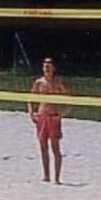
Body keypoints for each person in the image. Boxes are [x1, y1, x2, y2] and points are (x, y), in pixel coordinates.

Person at [27, 55, 71, 183]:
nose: (46, 67)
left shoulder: (58, 83)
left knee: (55, 147)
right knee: (43, 146)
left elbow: (70, 100)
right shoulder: (39, 82)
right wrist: (31, 113)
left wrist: (61, 115)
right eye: (44, 65)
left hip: (53, 117)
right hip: (41, 116)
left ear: (53, 68)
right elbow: (30, 99)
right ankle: (46, 175)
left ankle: (56, 178)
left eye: (49, 65)